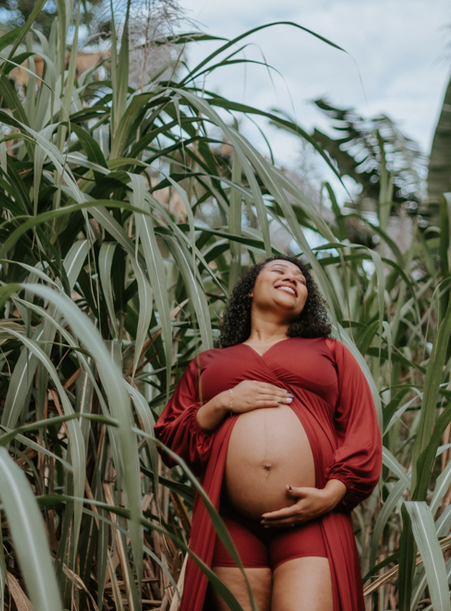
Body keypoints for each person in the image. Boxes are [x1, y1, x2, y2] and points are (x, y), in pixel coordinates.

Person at [155, 256, 382, 611]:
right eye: (279, 271)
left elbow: (361, 430)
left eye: (301, 279)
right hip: (231, 522)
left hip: (312, 517)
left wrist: (333, 494)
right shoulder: (207, 363)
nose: (292, 278)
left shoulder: (331, 352)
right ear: (249, 290)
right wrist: (224, 402)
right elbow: (170, 440)